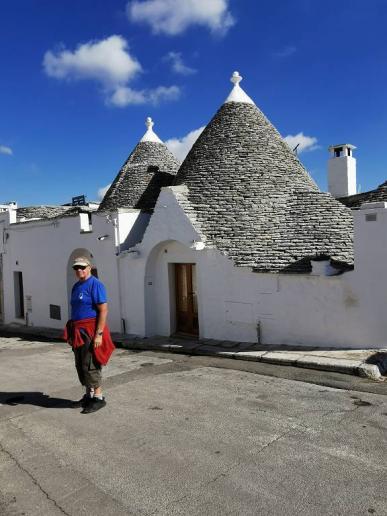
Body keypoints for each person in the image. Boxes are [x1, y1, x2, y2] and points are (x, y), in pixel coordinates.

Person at [64, 256, 114, 414]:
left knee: (90, 363)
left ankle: (98, 398)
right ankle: (88, 395)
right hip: (78, 330)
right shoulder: (76, 286)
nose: (79, 270)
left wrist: (98, 334)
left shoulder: (96, 284)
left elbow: (103, 310)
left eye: (82, 267)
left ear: (89, 267)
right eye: (76, 268)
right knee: (80, 364)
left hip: (91, 330)